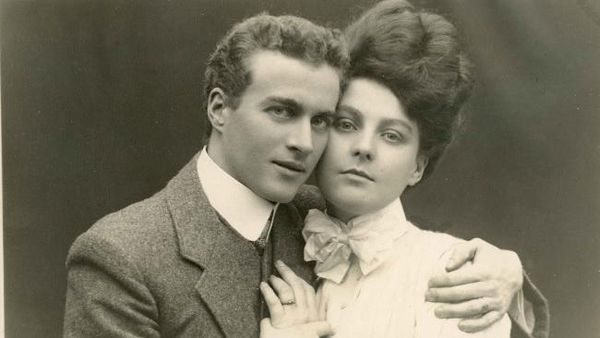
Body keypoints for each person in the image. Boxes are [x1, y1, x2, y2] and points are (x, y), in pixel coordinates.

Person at [63, 8, 546, 338]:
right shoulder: (122, 256)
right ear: (219, 107)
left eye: (321, 120)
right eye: (280, 111)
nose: (303, 142)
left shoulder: (321, 220)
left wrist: (509, 273)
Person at [258, 1, 548, 337]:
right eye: (347, 123)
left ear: (417, 167)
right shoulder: (275, 228)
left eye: (392, 135)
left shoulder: (452, 274)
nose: (364, 147)